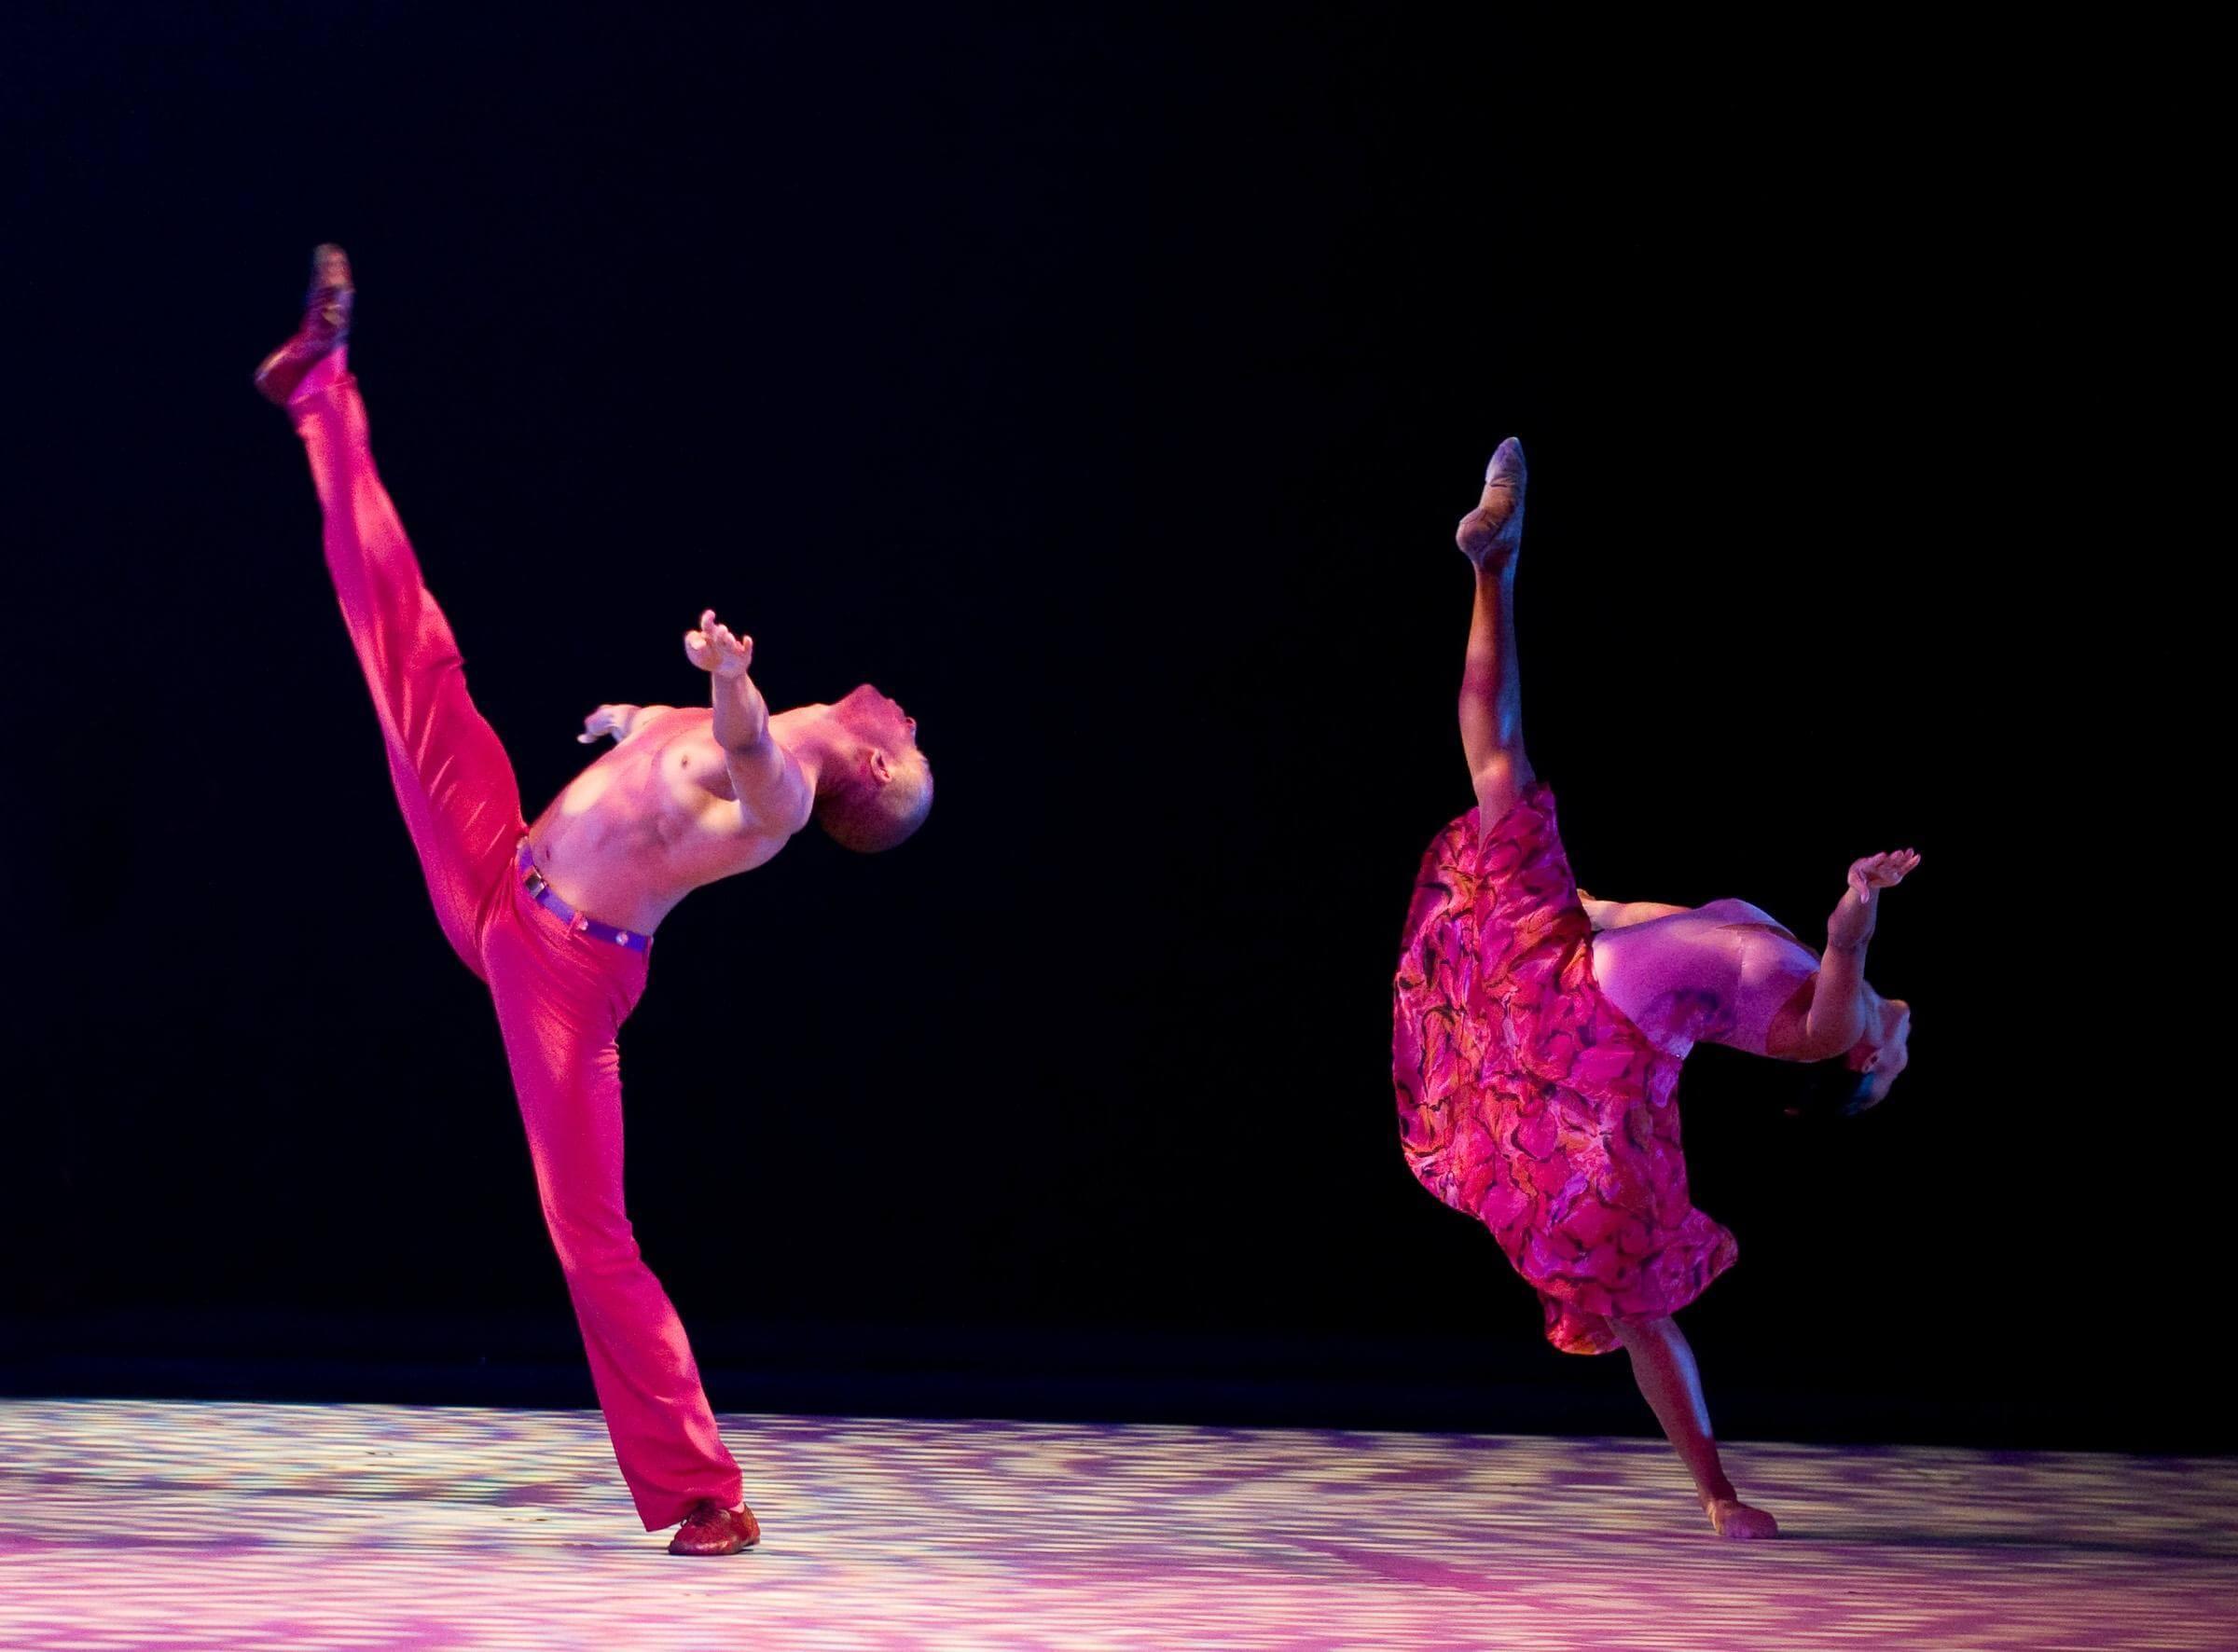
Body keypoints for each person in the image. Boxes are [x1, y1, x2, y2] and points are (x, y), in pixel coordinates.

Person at [255, 245, 932, 1555]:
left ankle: (699, 1490)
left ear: (881, 771)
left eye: (911, 741)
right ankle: (321, 391)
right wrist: (642, 713)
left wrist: (728, 679)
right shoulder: (780, 730)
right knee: (412, 647)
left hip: (563, 969)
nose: (906, 712)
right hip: (497, 866)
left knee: (590, 1232)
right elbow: (676, 750)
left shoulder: (788, 789)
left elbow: (744, 758)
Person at [1390, 438, 1915, 1539]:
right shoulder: (1804, 1012)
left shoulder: (1835, 1030)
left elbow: (1846, 960)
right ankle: (1493, 559)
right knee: (1500, 769)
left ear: (1864, 1066)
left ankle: (1717, 1492)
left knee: (1640, 1297)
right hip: (1587, 966)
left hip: (1590, 1018)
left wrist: (1860, 901)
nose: (1904, 1044)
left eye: (1892, 1063)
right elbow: (1715, 949)